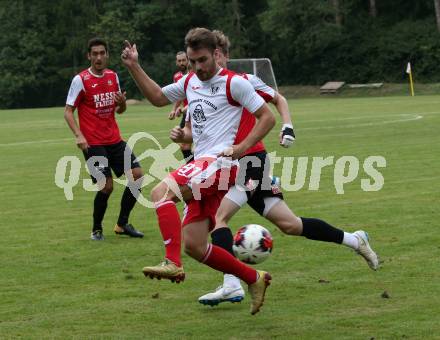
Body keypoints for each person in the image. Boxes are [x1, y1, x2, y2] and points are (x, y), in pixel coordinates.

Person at [196, 30, 379, 306]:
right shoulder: (206, 90)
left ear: (224, 55)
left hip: (251, 163)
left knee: (218, 219)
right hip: (230, 164)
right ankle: (355, 240)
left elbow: (278, 99)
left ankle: (232, 284)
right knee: (291, 225)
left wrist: (288, 125)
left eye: (217, 53)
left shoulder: (244, 81)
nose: (213, 60)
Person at [121, 27, 275, 314]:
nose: (198, 67)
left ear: (216, 54)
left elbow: (267, 118)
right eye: (193, 61)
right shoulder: (191, 81)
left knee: (160, 191)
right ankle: (254, 279)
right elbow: (156, 97)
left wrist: (241, 148)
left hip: (220, 164)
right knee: (194, 244)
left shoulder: (234, 83)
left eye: (202, 60)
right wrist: (134, 66)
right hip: (201, 164)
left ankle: (171, 263)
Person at [64, 37, 144, 241]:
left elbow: (120, 110)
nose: (98, 57)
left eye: (102, 53)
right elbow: (68, 112)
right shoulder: (80, 80)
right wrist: (79, 135)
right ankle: (96, 228)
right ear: (89, 56)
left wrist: (123, 103)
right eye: (95, 54)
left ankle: (122, 223)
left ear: (107, 55)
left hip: (114, 140)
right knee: (106, 186)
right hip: (93, 143)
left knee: (137, 175)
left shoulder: (113, 76)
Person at [169, 51, 193, 162]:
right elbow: (179, 95)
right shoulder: (177, 77)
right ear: (176, 62)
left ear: (188, 60)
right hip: (187, 114)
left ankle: (195, 170)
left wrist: (183, 108)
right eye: (179, 61)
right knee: (185, 147)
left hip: (197, 112)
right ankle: (194, 170)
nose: (182, 63)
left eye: (183, 60)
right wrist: (174, 109)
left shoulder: (194, 74)